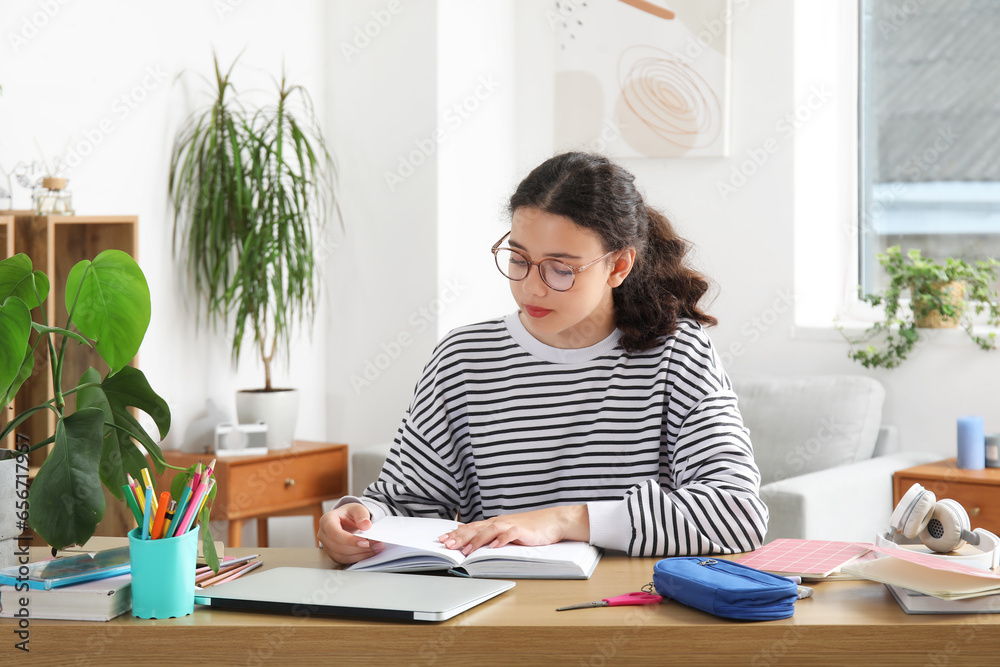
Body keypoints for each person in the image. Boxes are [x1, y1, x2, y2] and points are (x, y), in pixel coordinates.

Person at [319, 151, 768, 565]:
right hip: (498, 614)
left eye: (560, 269)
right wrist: (358, 518)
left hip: (637, 613)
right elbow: (406, 503)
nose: (531, 288)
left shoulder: (677, 354)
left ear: (619, 266)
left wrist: (561, 521)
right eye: (518, 259)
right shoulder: (463, 360)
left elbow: (736, 511)